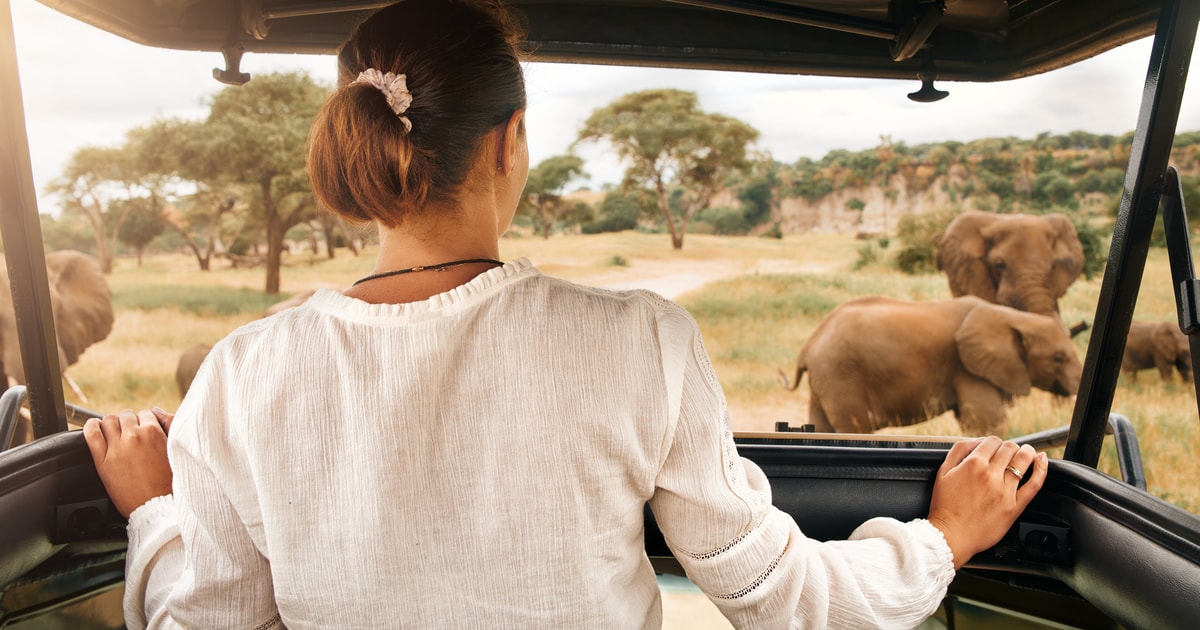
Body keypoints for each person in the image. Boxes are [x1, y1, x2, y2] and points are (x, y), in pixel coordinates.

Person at [83, 1, 1048, 628]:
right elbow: (778, 594)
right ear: (511, 143)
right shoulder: (639, 341)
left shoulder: (243, 373)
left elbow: (205, 622)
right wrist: (943, 539)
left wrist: (158, 508)